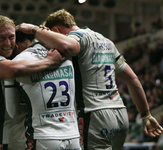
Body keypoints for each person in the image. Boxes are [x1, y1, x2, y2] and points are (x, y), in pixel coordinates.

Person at [16, 9, 163, 150]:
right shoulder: (107, 42)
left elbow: (68, 46)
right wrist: (146, 114)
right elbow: (132, 79)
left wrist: (34, 30)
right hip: (120, 115)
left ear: (56, 31)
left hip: (94, 115)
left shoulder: (78, 37)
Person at [0, 15, 64, 150]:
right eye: (2, 38)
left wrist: (40, 33)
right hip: (3, 138)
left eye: (11, 37)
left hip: (24, 137)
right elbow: (14, 70)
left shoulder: (17, 57)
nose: (8, 43)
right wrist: (51, 61)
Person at [4, 31, 81, 150]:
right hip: (73, 135)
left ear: (17, 46)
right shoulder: (65, 54)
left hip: (44, 137)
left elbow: (13, 112)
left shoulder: (15, 64)